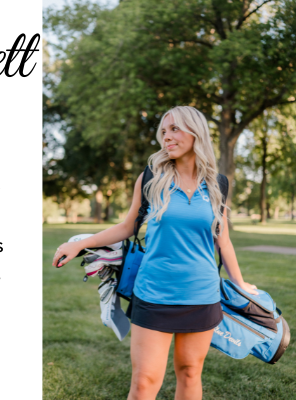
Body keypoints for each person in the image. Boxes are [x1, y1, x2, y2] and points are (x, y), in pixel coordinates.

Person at [53, 106, 258, 400]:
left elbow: (222, 241)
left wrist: (239, 283)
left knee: (189, 372)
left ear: (195, 132)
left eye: (174, 129)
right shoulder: (152, 178)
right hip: (154, 293)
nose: (166, 137)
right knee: (145, 382)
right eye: (163, 131)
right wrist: (79, 244)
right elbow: (126, 226)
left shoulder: (218, 185)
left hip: (202, 295)